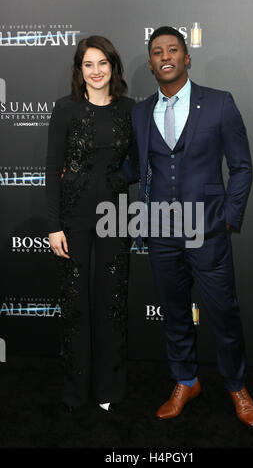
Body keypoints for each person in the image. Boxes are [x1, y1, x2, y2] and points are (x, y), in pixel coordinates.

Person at [122, 26, 253, 427]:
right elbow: (133, 167)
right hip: (160, 232)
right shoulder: (140, 111)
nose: (165, 56)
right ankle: (186, 380)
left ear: (186, 58)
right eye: (157, 51)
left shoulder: (218, 104)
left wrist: (228, 218)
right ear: (150, 63)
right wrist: (88, 166)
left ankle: (236, 385)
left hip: (208, 231)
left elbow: (242, 167)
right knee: (175, 314)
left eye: (173, 49)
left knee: (223, 314)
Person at [46, 35, 134, 413]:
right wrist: (53, 226)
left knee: (111, 303)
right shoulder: (65, 109)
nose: (96, 71)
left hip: (115, 218)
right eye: (88, 64)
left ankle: (108, 389)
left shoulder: (130, 110)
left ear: (112, 67)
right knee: (76, 305)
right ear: (79, 71)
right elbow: (52, 169)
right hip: (73, 218)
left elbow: (138, 163)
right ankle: (75, 390)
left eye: (102, 63)